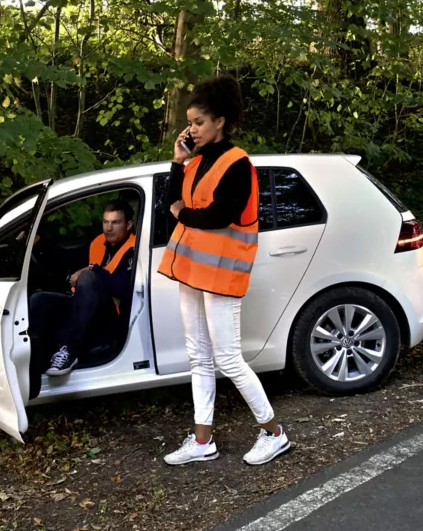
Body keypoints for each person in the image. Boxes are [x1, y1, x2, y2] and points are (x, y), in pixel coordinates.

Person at [157, 76, 289, 466]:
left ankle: (275, 433)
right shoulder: (195, 161)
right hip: (192, 273)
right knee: (198, 357)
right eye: (190, 123)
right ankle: (203, 441)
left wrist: (182, 212)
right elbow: (170, 200)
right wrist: (177, 161)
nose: (192, 130)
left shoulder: (237, 163)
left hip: (220, 277)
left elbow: (219, 216)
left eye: (198, 122)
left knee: (228, 359)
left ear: (220, 121)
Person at [28, 200, 137, 377]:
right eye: (106, 222)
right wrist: (37, 243)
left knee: (88, 277)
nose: (109, 228)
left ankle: (69, 351)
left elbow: (124, 289)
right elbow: (65, 258)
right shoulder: (99, 243)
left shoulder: (134, 249)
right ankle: (34, 361)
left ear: (129, 225)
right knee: (39, 299)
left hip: (110, 317)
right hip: (83, 306)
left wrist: (93, 270)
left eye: (116, 222)